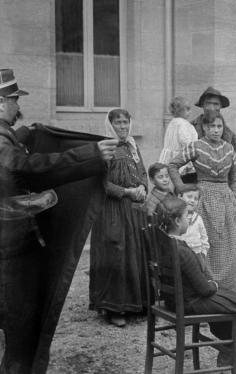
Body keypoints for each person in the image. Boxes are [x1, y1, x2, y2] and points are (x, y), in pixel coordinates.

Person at [0, 68, 118, 374]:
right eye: (13, 100)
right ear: (1, 104)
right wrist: (91, 154)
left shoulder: (7, 136)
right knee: (22, 336)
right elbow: (25, 167)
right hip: (10, 250)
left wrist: (24, 135)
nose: (17, 107)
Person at [157, 196, 236, 373]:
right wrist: (213, 285)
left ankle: (230, 349)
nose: (188, 220)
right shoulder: (181, 251)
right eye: (187, 216)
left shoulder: (161, 242)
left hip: (174, 299)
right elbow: (204, 289)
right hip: (190, 302)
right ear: (178, 221)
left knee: (234, 299)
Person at [168, 109, 236, 291]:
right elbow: (173, 165)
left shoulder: (229, 149)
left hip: (225, 200)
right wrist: (182, 188)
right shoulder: (196, 146)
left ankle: (228, 290)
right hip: (203, 199)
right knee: (203, 242)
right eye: (211, 126)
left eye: (219, 126)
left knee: (227, 244)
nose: (216, 130)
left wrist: (233, 197)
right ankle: (205, 287)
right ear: (204, 128)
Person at [89, 108, 148, 328]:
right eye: (118, 123)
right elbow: (101, 183)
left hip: (133, 210)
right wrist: (126, 192)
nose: (122, 127)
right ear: (110, 125)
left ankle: (136, 304)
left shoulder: (133, 146)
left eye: (125, 122)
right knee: (117, 253)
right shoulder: (105, 147)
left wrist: (142, 186)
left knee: (135, 253)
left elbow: (142, 171)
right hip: (112, 211)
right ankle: (114, 307)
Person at [191, 87, 236, 184]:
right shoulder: (190, 128)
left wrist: (233, 189)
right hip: (195, 186)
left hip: (221, 186)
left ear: (220, 107)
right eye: (208, 103)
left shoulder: (229, 133)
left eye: (216, 104)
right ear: (202, 105)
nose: (212, 108)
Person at [159, 96, 198, 177]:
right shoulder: (183, 124)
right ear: (179, 111)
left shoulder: (172, 123)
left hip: (169, 157)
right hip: (180, 157)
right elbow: (185, 141)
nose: (190, 112)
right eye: (187, 109)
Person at [176, 181, 210, 272]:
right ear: (180, 197)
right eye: (189, 197)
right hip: (182, 256)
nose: (192, 201)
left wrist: (203, 253)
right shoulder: (175, 217)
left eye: (196, 199)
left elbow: (204, 238)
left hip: (197, 255)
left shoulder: (198, 219)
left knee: (199, 275)